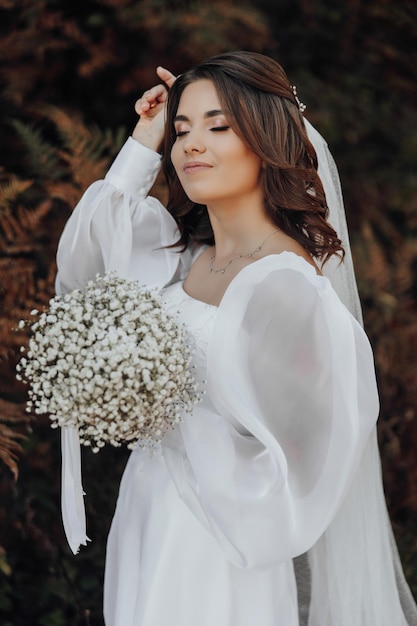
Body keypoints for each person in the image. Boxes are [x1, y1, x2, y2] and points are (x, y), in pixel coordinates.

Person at [55, 51, 417, 626]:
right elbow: (84, 272)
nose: (192, 143)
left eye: (219, 126)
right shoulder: (185, 258)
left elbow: (316, 451)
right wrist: (143, 141)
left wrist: (173, 423)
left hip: (217, 541)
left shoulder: (286, 285)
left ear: (266, 139)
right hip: (148, 513)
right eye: (182, 129)